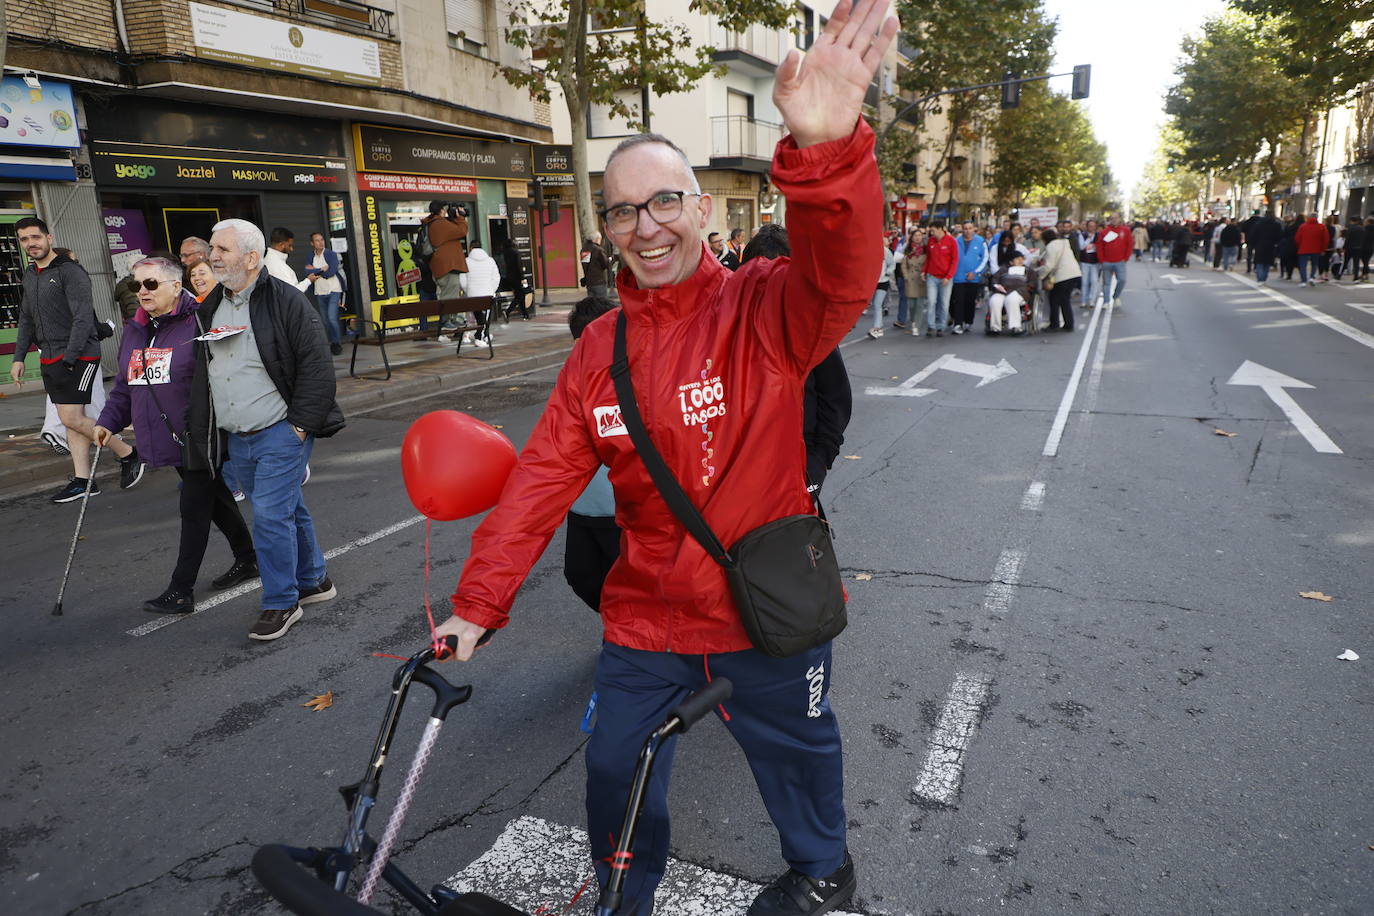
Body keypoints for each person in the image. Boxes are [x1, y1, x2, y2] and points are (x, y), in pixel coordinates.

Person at [436, 4, 896, 913]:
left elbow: (843, 271)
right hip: (646, 619)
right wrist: (476, 604)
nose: (646, 228)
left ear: (704, 209)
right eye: (622, 212)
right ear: (605, 227)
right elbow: (538, 484)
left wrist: (830, 152)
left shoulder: (766, 309)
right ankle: (624, 896)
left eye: (664, 203)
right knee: (613, 773)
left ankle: (823, 872)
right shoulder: (595, 349)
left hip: (761, 609)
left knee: (799, 760)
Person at [196, 218, 344, 641]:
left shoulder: (287, 301)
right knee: (287, 508)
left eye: (222, 249)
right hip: (237, 435)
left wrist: (298, 427)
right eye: (212, 247)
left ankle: (282, 602)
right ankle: (315, 579)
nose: (213, 256)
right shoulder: (211, 305)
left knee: (268, 517)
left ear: (251, 257)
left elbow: (318, 369)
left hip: (280, 430)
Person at [92, 257, 257, 613]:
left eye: (150, 284)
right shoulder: (135, 328)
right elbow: (126, 384)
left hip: (200, 433)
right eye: (136, 285)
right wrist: (108, 421)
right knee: (216, 499)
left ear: (175, 285)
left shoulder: (200, 319)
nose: (142, 292)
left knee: (194, 506)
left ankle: (181, 589)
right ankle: (249, 558)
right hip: (166, 437)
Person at [9, 217, 144, 502]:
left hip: (77, 355)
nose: (30, 243)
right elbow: (26, 317)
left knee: (70, 417)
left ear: (49, 237)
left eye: (35, 237)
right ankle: (84, 480)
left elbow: (83, 318)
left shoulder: (71, 272)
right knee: (72, 420)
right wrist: (19, 356)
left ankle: (128, 453)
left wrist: (69, 358)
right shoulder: (31, 274)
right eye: (24, 239)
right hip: (49, 356)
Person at [562, 295, 621, 611]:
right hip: (582, 507)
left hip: (624, 512)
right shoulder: (570, 383)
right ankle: (622, 626)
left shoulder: (633, 378)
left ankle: (632, 639)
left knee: (633, 582)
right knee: (580, 575)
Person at [425, 202, 469, 334]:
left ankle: (453, 319)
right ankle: (446, 321)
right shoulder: (438, 223)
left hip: (446, 265)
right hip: (447, 266)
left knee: (452, 293)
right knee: (449, 295)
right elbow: (462, 230)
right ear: (441, 210)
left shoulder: (436, 223)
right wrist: (460, 218)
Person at [304, 232, 345, 355]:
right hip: (320, 291)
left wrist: (315, 271)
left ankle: (336, 343)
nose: (320, 242)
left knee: (332, 318)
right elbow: (307, 272)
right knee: (325, 320)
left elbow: (331, 272)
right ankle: (331, 342)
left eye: (321, 239)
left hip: (334, 289)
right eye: (317, 240)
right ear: (312, 243)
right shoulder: (310, 256)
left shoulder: (331, 254)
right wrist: (322, 269)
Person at [458, 241, 502, 348]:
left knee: (477, 316)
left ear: (471, 248)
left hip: (473, 295)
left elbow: (462, 279)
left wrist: (468, 290)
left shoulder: (466, 261)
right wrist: (491, 289)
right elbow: (496, 277)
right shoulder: (490, 261)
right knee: (485, 316)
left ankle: (482, 334)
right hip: (488, 294)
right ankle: (481, 336)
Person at [1037, 227, 1080, 332]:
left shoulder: (1051, 246)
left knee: (1054, 300)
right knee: (1065, 300)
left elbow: (1049, 265)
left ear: (1045, 239)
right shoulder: (1063, 243)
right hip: (1074, 273)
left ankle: (1054, 324)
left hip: (1063, 276)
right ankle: (1069, 324)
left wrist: (1039, 274)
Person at [950, 221, 988, 334]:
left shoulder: (981, 241)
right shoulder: (956, 241)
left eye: (970, 228)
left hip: (973, 277)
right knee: (958, 300)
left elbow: (985, 259)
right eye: (965, 228)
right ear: (962, 229)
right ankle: (957, 324)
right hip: (958, 276)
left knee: (970, 301)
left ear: (974, 229)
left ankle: (968, 321)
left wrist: (976, 272)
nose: (967, 231)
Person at [987, 249, 1035, 335]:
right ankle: (995, 327)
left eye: (1022, 258)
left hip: (1020, 291)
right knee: (994, 300)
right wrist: (996, 286)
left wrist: (1027, 288)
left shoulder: (1028, 270)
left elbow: (1032, 282)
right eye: (1017, 259)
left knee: (1011, 299)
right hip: (1003, 291)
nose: (1020, 260)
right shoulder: (1003, 270)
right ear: (1011, 262)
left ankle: (1016, 327)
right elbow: (995, 280)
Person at [924, 220, 957, 337]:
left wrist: (949, 276)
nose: (932, 233)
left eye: (933, 230)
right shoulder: (931, 241)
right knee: (931, 301)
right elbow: (928, 258)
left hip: (945, 278)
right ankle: (931, 325)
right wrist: (924, 271)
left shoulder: (951, 241)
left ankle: (941, 327)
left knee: (944, 303)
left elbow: (954, 260)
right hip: (932, 276)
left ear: (941, 229)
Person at [1095, 215, 1132, 309]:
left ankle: (1116, 296)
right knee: (1106, 283)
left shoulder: (1126, 230)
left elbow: (1129, 245)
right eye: (1112, 218)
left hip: (1120, 261)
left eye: (1116, 218)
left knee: (1122, 280)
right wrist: (1102, 260)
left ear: (1120, 219)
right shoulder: (1104, 232)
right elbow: (1099, 246)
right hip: (1107, 262)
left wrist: (1126, 258)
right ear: (1110, 220)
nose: (1114, 220)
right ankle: (1106, 301)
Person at [897, 228, 927, 333]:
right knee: (911, 304)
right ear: (912, 237)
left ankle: (916, 326)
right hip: (910, 279)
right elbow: (904, 265)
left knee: (919, 303)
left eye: (919, 235)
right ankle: (913, 321)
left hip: (921, 278)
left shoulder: (926, 249)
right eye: (915, 235)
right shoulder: (908, 249)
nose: (917, 237)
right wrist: (906, 276)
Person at [498, 238, 533, 320]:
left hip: (506, 278)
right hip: (516, 277)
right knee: (520, 296)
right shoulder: (516, 253)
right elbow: (519, 266)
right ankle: (508, 311)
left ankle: (525, 314)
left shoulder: (503, 253)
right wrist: (522, 277)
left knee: (520, 295)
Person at [867, 237, 895, 339]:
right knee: (870, 303)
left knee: (877, 304)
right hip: (871, 282)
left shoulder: (886, 251)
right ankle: (879, 325)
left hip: (883, 281)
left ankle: (877, 327)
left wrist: (888, 272)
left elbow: (892, 264)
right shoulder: (868, 250)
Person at [1247, 210, 1284, 284]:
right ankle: (1264, 277)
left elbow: (1253, 234)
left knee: (1259, 262)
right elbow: (1280, 235)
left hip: (1260, 244)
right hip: (1271, 245)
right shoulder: (1276, 224)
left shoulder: (1259, 224)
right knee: (1267, 262)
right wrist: (1276, 243)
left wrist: (1253, 243)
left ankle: (1260, 277)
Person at [1294, 214, 1328, 287]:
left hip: (1304, 248)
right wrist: (1323, 249)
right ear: (1317, 218)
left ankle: (1303, 280)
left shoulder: (1303, 226)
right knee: (1314, 264)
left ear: (1308, 218)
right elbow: (1325, 239)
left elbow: (1297, 238)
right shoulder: (1322, 227)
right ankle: (1312, 277)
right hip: (1316, 249)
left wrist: (1299, 245)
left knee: (1303, 265)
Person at [1075, 219, 1100, 308]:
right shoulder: (1082, 235)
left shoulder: (1098, 235)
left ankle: (1092, 300)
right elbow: (1081, 247)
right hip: (1085, 261)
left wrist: (1095, 246)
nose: (1092, 228)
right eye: (1090, 226)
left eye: (1093, 226)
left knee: (1094, 281)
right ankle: (1083, 301)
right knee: (1085, 282)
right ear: (1087, 227)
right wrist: (1089, 239)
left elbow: (1100, 246)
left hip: (1095, 262)